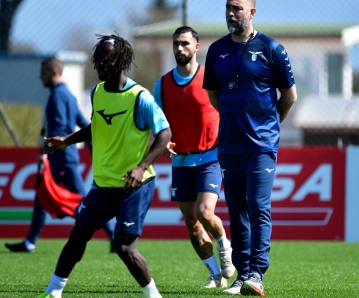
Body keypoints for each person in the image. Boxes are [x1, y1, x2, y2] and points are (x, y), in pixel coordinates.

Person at [37, 34, 171, 298]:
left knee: (123, 247)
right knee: (78, 235)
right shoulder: (97, 93)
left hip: (135, 184)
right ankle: (53, 292)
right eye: (97, 59)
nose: (99, 64)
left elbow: (164, 133)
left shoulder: (139, 97)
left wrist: (142, 166)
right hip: (104, 183)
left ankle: (153, 295)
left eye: (105, 59)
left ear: (120, 61)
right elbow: (96, 126)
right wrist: (66, 141)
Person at [203, 0, 297, 295]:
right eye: (228, 7)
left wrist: (269, 125)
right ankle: (242, 276)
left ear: (252, 12)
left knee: (259, 208)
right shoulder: (215, 50)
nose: (231, 13)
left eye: (238, 8)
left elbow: (289, 95)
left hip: (262, 146)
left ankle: (257, 273)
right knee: (237, 211)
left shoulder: (272, 49)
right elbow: (214, 96)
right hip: (230, 145)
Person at [152, 26, 235, 289]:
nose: (179, 48)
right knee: (191, 222)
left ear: (196, 47)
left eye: (185, 44)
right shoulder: (162, 85)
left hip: (210, 156)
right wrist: (162, 145)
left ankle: (225, 249)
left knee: (204, 211)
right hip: (180, 162)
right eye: (176, 44)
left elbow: (229, 112)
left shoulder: (211, 78)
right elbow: (158, 125)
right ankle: (215, 275)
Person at [4, 57, 115, 254]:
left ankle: (114, 236)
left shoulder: (57, 96)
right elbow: (82, 122)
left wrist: (44, 153)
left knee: (85, 201)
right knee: (42, 194)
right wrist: (92, 147)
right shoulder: (68, 95)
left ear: (54, 72)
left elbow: (58, 128)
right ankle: (30, 241)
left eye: (43, 73)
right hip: (64, 156)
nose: (40, 77)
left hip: (61, 157)